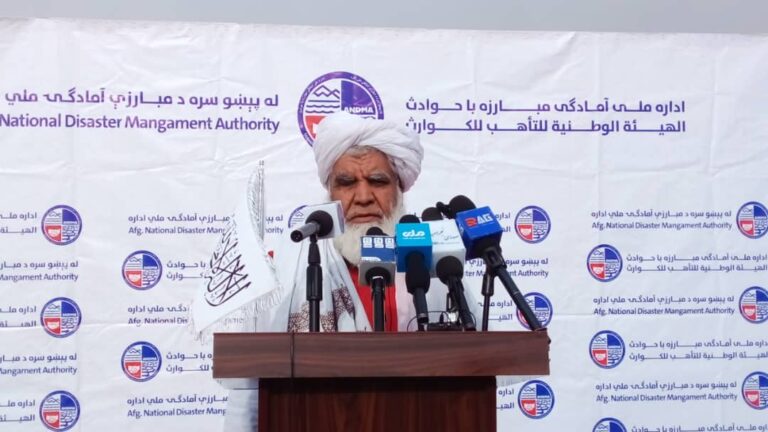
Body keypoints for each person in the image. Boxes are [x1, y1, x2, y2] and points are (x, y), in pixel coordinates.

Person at [192, 111, 467, 431]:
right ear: (330, 193)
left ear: (399, 189)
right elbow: (249, 389)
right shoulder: (288, 265)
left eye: (378, 181)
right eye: (347, 183)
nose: (363, 197)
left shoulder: (434, 267)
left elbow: (474, 369)